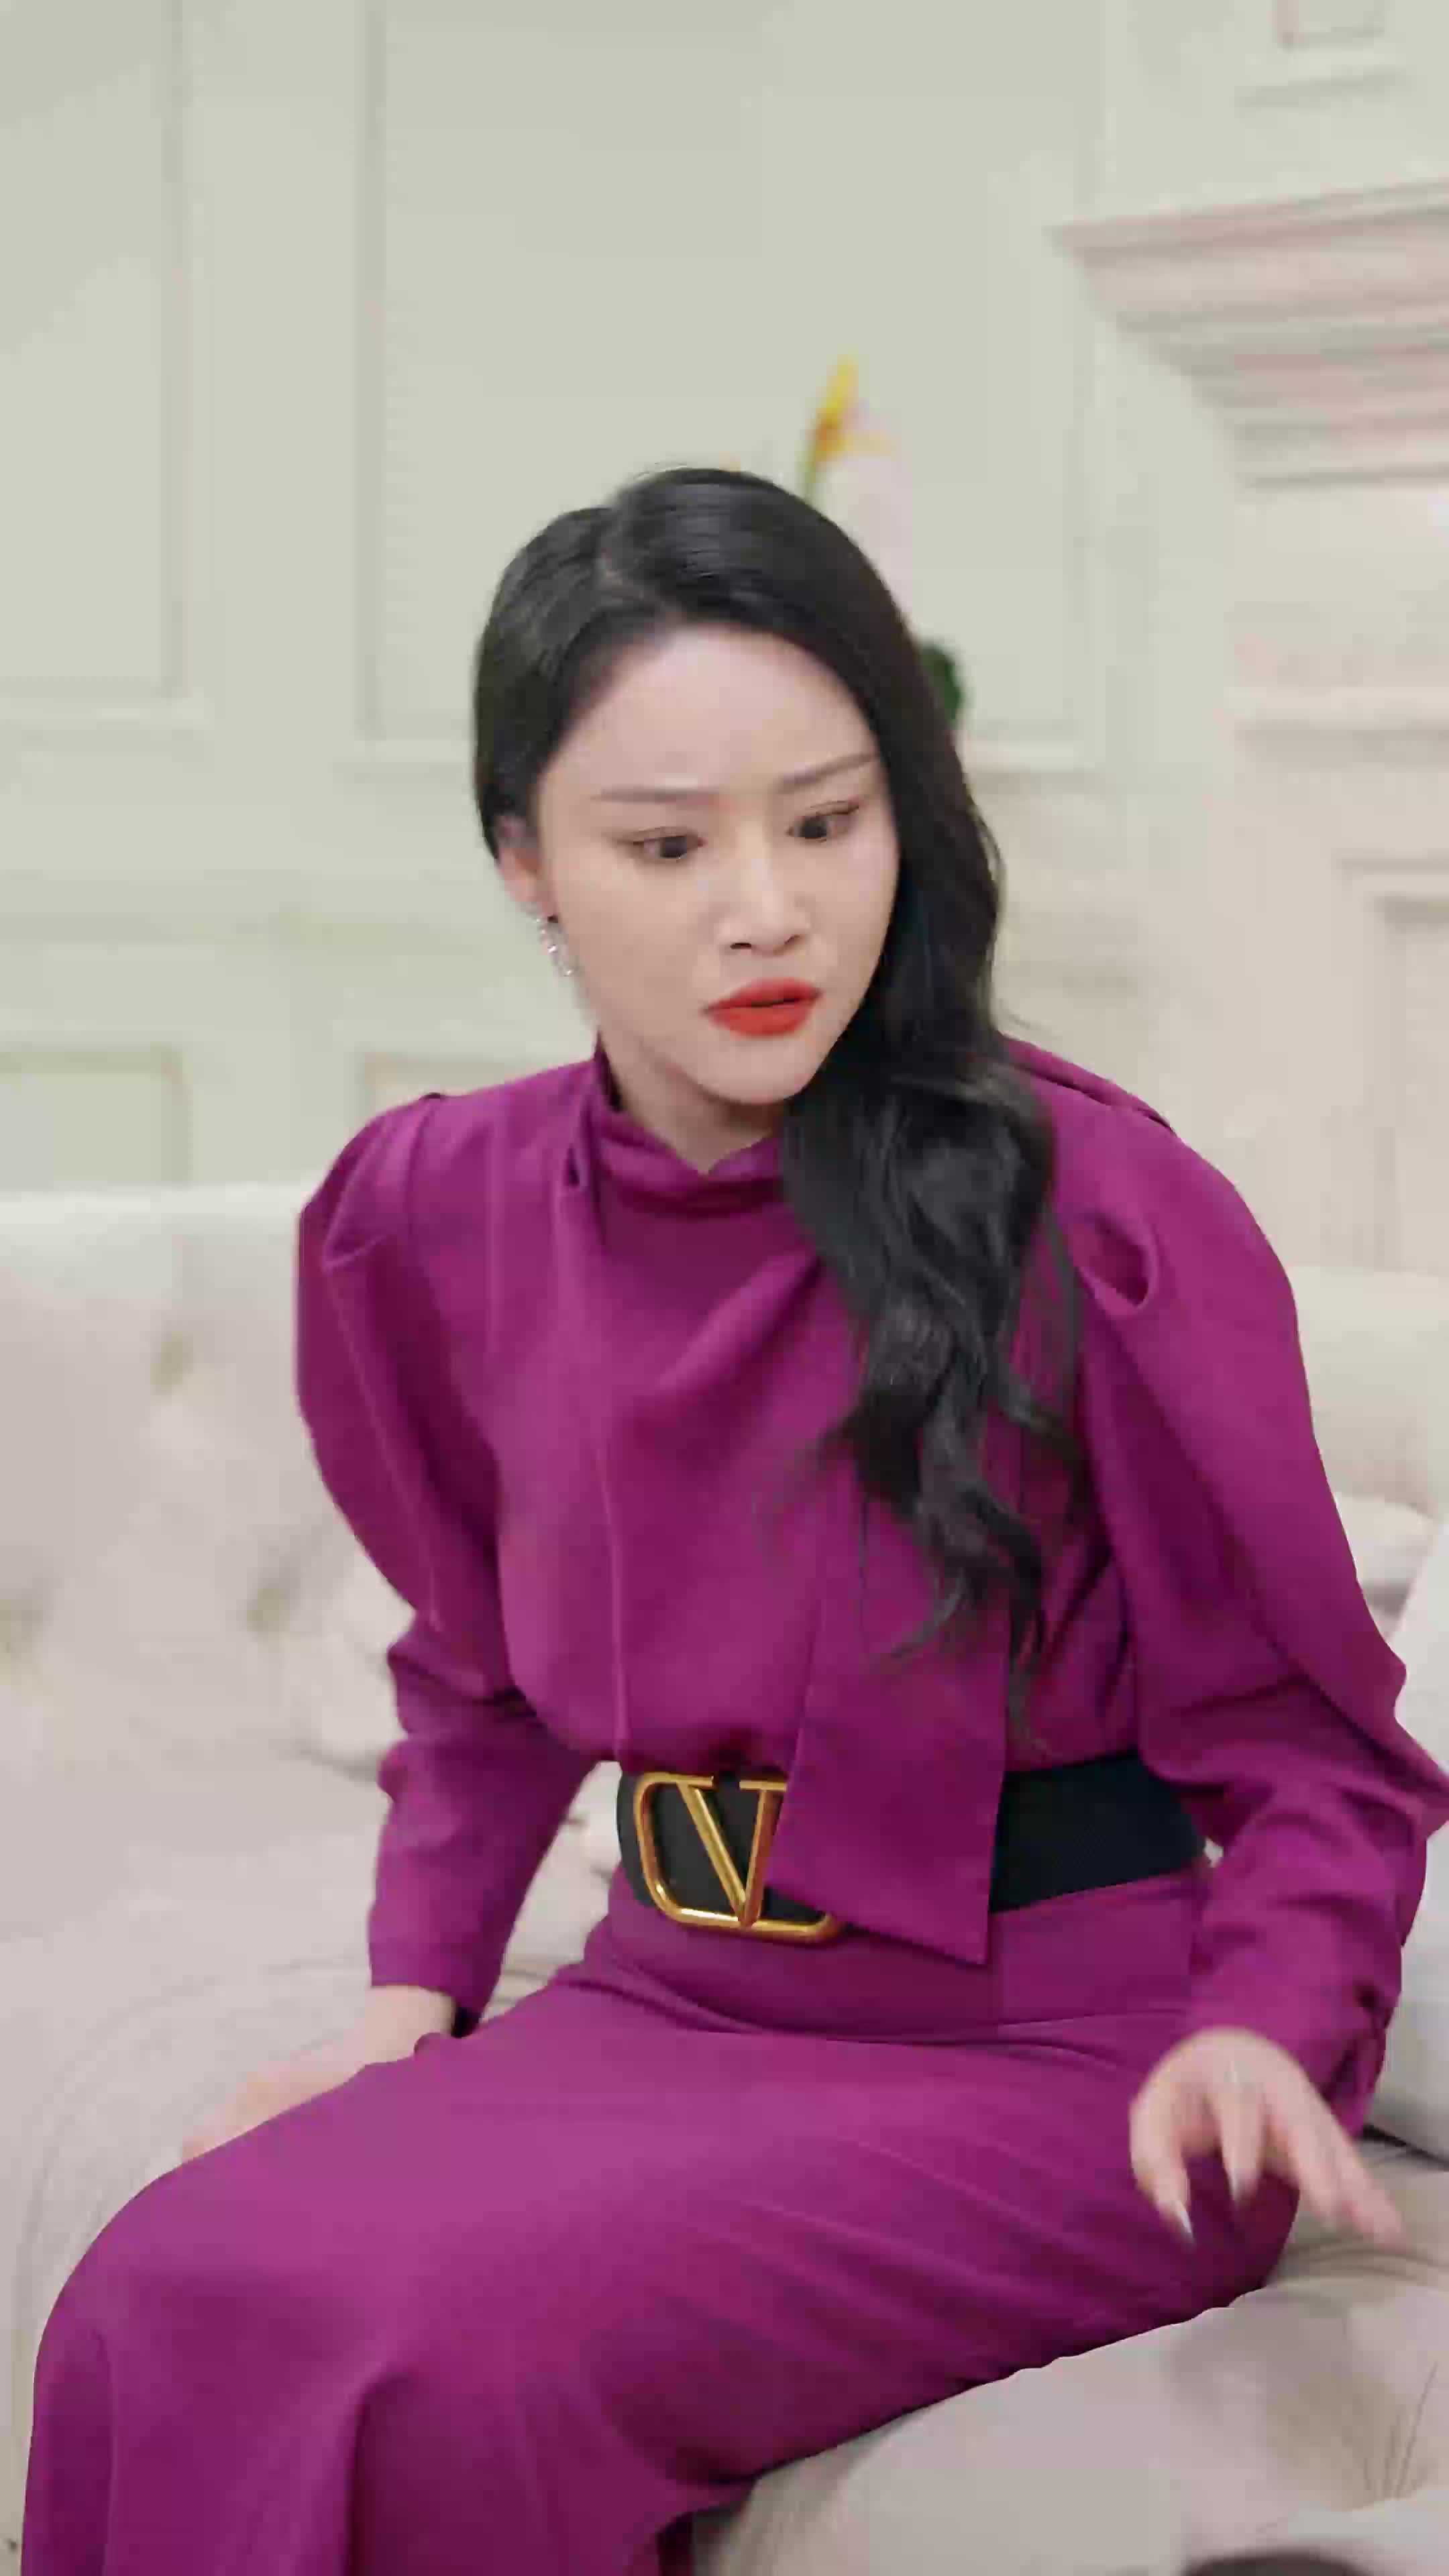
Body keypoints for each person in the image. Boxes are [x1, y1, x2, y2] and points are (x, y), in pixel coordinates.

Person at [21, 468, 1449, 2576]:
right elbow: (479, 1675)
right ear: (525, 859)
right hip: (670, 1996)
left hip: (1080, 2067)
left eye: (826, 821)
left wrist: (1274, 2025)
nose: (766, 910)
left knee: (437, 2367)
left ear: (906, 820)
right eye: (668, 844)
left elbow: (1318, 1757)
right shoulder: (434, 1218)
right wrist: (415, 1992)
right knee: (160, 2288)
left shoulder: (1101, 1212)